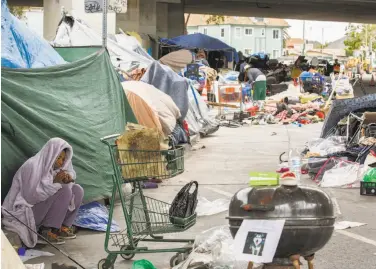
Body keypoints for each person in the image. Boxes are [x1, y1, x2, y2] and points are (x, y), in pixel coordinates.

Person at [2, 138, 84, 247]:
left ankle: (61, 227)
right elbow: (30, 197)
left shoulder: (56, 169)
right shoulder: (32, 166)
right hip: (24, 212)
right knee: (64, 190)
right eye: (58, 157)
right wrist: (55, 182)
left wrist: (67, 179)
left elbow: (69, 179)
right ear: (51, 154)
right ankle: (45, 231)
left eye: (64, 159)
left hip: (40, 209)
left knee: (77, 190)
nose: (61, 162)